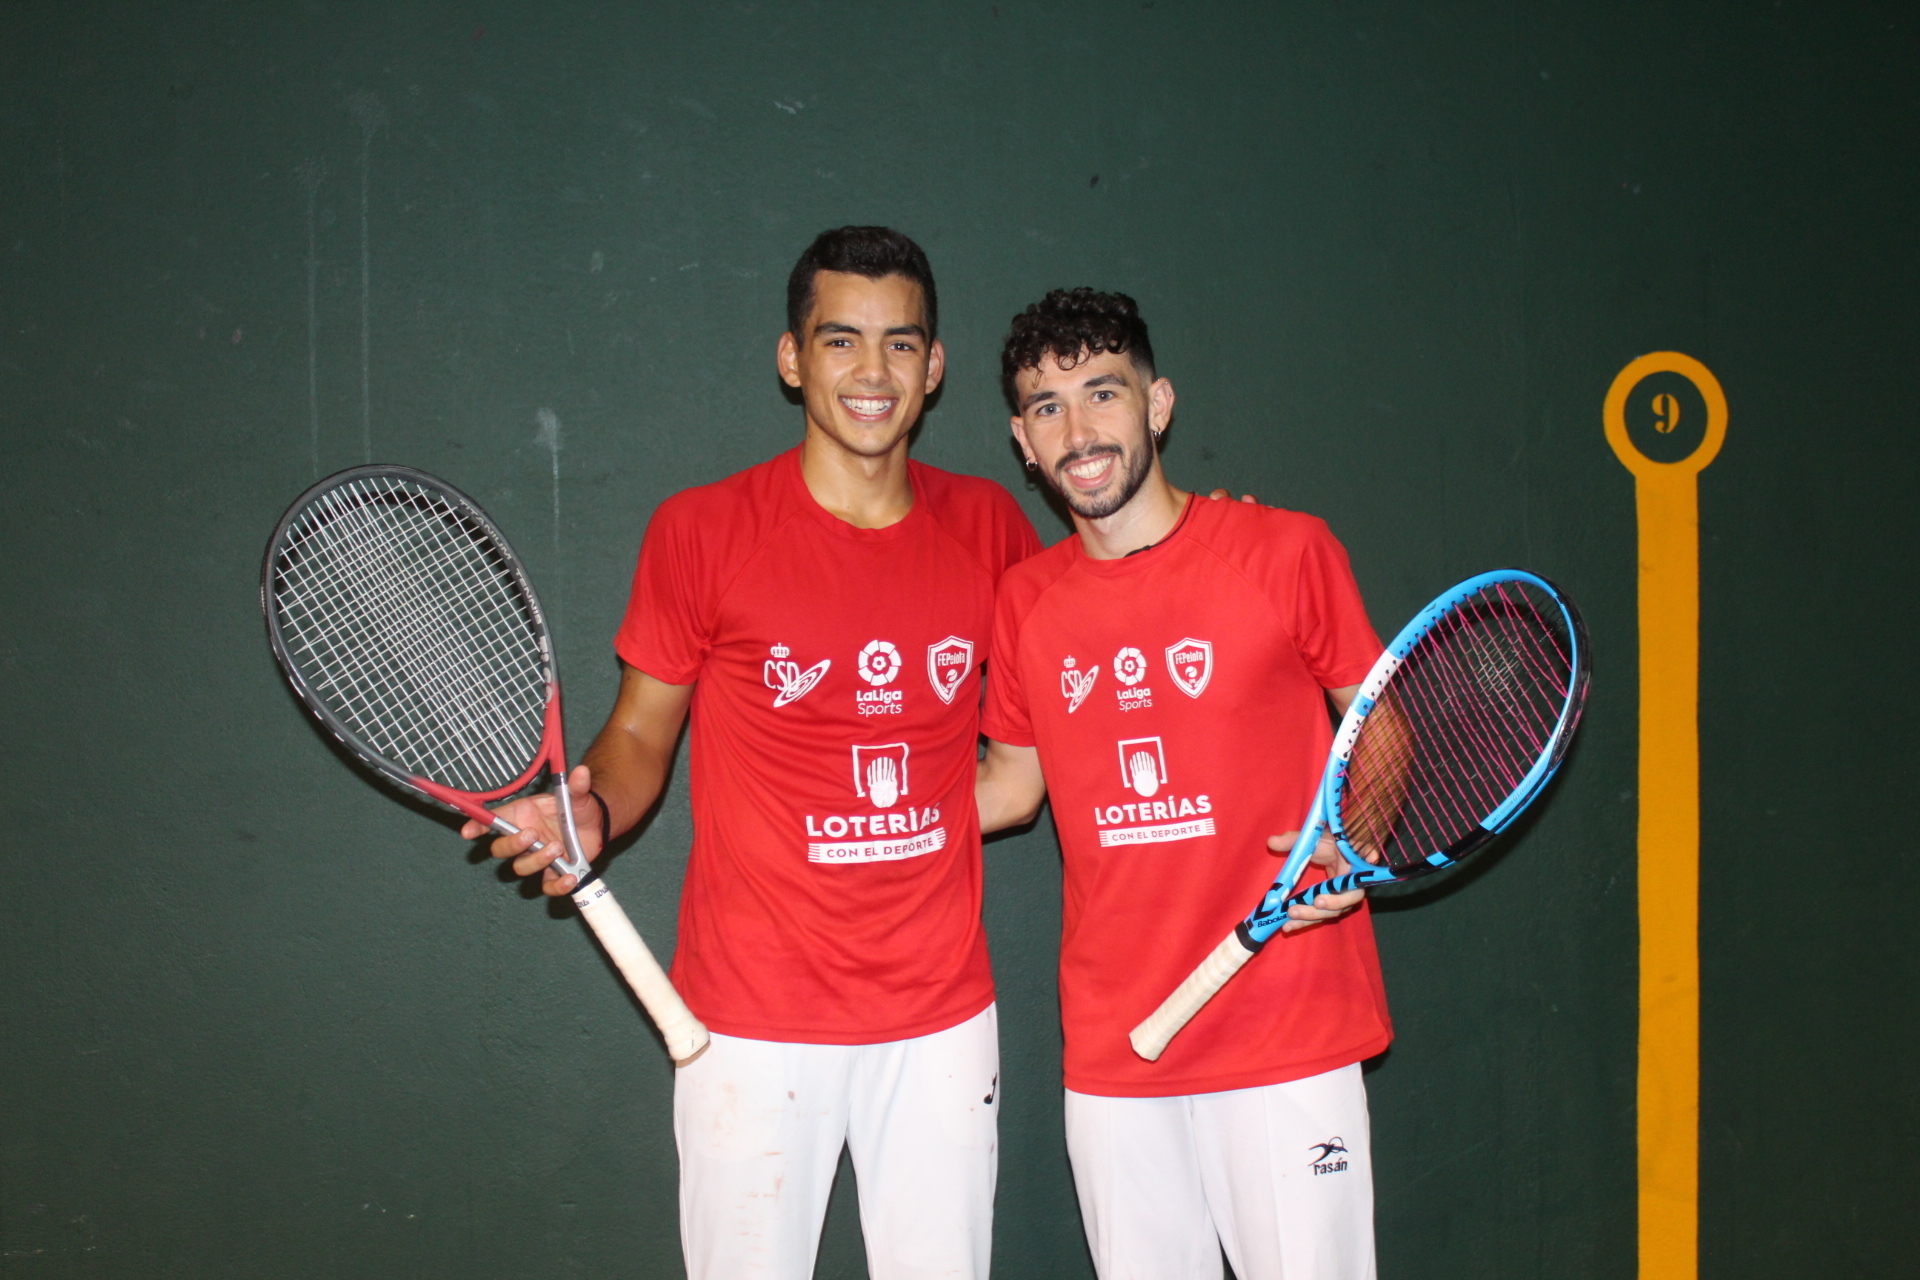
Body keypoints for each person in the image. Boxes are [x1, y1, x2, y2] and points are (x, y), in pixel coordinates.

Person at [467, 226, 1041, 1280]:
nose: (873, 372)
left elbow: (1031, 759)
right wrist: (591, 811)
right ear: (792, 359)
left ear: (936, 365)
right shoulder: (702, 530)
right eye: (840, 341)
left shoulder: (995, 526)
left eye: (901, 344)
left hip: (941, 1019)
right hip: (751, 1020)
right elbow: (640, 734)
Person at [974, 287, 1391, 1280]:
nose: (1079, 430)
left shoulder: (1285, 551)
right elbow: (1010, 788)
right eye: (1047, 408)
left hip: (1285, 1031)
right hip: (1122, 1054)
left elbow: (1383, 721)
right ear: (1022, 443)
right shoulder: (1026, 601)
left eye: (1103, 393)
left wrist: (1358, 831)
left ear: (1158, 405)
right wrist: (842, 802)